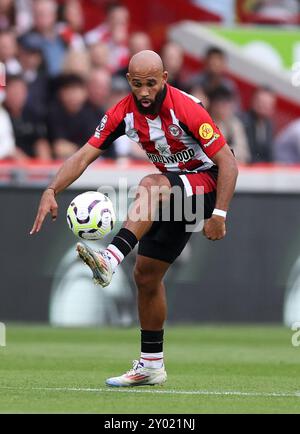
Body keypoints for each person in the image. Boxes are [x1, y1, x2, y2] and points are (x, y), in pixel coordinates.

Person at [30, 50, 238, 387]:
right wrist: (51, 188)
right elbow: (84, 155)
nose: (144, 92)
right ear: (129, 81)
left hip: (209, 183)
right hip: (175, 190)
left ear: (165, 79)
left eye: (151, 84)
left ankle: (110, 260)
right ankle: (151, 365)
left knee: (150, 184)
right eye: (137, 84)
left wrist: (219, 213)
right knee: (146, 274)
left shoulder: (186, 109)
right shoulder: (122, 113)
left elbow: (228, 162)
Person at [241, 85, 276, 163]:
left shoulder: (269, 124)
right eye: (260, 101)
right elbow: (247, 152)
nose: (262, 106)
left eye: (267, 104)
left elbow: (270, 153)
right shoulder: (243, 121)